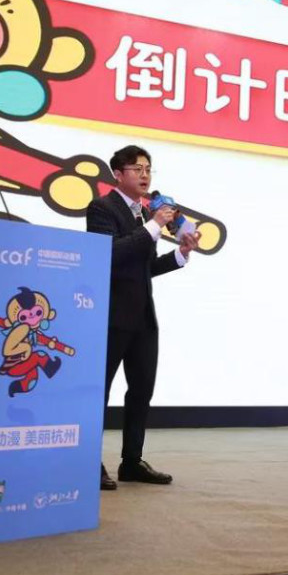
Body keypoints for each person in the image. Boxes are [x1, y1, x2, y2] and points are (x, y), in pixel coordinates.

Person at [86, 145, 200, 490]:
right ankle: (88, 463)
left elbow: (144, 267)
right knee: (98, 393)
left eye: (148, 169)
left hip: (143, 318)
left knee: (141, 392)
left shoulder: (142, 216)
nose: (145, 175)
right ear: (118, 174)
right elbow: (108, 255)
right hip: (111, 317)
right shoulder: (102, 208)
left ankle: (132, 462)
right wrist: (154, 225)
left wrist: (180, 254)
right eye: (137, 169)